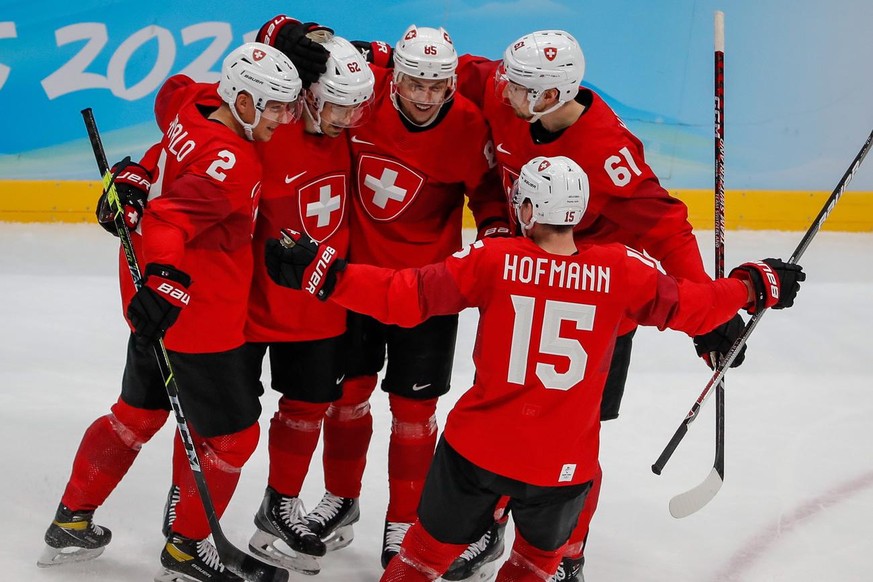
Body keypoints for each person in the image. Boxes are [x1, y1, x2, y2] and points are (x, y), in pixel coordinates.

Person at [262, 155, 806, 581]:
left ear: (524, 208)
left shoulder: (492, 261)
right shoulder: (622, 270)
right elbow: (695, 308)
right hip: (562, 467)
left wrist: (325, 275)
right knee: (531, 568)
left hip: (476, 451)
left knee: (421, 560)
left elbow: (404, 296)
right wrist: (755, 285)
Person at [39, 42, 303, 582]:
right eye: (273, 105)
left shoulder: (194, 103)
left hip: (148, 303)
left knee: (135, 415)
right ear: (242, 100)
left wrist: (133, 172)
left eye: (287, 104)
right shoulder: (232, 162)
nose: (283, 117)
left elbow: (172, 88)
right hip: (196, 312)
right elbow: (168, 220)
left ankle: (71, 520)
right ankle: (187, 548)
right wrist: (165, 279)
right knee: (234, 437)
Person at [257, 17, 510, 568]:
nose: (424, 97)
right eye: (414, 83)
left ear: (451, 83)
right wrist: (280, 33)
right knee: (346, 400)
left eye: (437, 86)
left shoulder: (469, 125)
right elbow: (292, 63)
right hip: (353, 281)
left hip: (429, 290)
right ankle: (342, 501)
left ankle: (404, 523)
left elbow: (490, 196)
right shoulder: (360, 95)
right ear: (392, 79)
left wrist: (494, 238)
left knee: (414, 410)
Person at [239, 33, 376, 575]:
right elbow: (194, 102)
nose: (348, 117)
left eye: (357, 105)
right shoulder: (268, 124)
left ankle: (281, 504)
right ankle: (191, 533)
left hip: (320, 303)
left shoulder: (347, 131)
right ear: (310, 93)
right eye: (338, 104)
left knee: (308, 407)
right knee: (228, 425)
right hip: (252, 304)